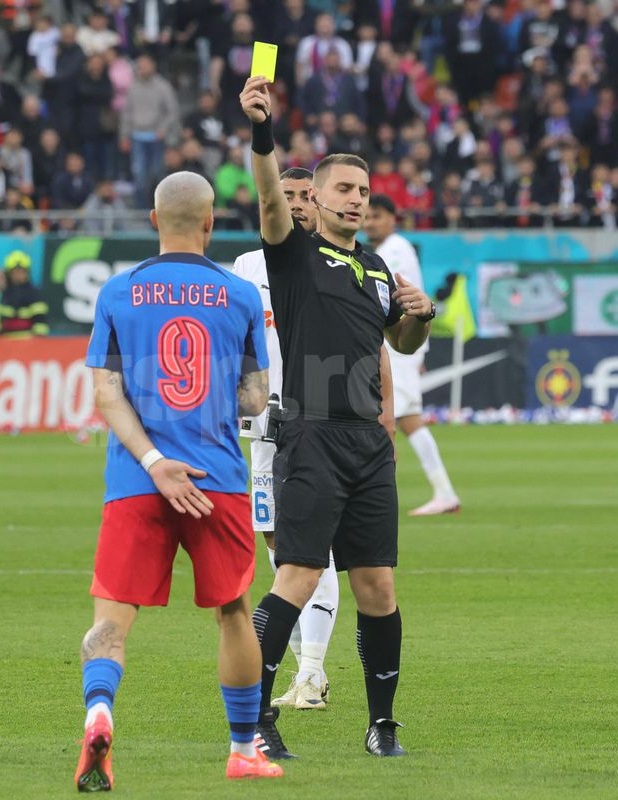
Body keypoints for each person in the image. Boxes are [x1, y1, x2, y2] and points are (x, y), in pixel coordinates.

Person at [240, 76, 435, 759]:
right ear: (315, 198)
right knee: (294, 576)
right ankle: (257, 721)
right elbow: (268, 192)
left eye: (365, 192)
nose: (358, 200)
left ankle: (382, 725)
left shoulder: (377, 269)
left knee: (378, 586)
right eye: (346, 190)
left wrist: (420, 315)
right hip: (311, 436)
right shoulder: (290, 251)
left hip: (366, 440)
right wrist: (263, 130)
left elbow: (401, 343)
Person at [76, 171, 283, 790]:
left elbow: (104, 395)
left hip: (136, 482)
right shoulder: (240, 296)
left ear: (152, 221)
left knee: (110, 621)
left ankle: (100, 711)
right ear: (211, 223)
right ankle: (244, 749)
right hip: (215, 478)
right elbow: (255, 398)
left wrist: (152, 461)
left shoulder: (118, 291)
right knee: (235, 612)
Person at [232, 168, 397, 711]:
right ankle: (291, 680)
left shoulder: (343, 265)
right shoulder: (254, 265)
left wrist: (386, 415)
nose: (300, 204)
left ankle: (312, 672)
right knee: (282, 550)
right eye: (293, 195)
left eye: (307, 195)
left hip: (318, 425)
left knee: (308, 558)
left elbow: (377, 345)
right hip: (266, 431)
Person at [363, 194, 462, 515]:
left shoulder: (394, 250)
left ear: (394, 218)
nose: (370, 222)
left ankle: (443, 492)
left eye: (377, 216)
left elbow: (390, 299)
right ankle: (441, 491)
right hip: (399, 343)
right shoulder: (390, 249)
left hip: (398, 344)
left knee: (404, 418)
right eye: (368, 217)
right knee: (401, 417)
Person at [0, 250, 49, 337]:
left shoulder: (34, 294)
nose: (18, 275)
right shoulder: (5, 295)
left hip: (28, 346)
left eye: (21, 271)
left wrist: (38, 345)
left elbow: (41, 324)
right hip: (5, 346)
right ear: (9, 274)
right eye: (15, 272)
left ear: (27, 272)